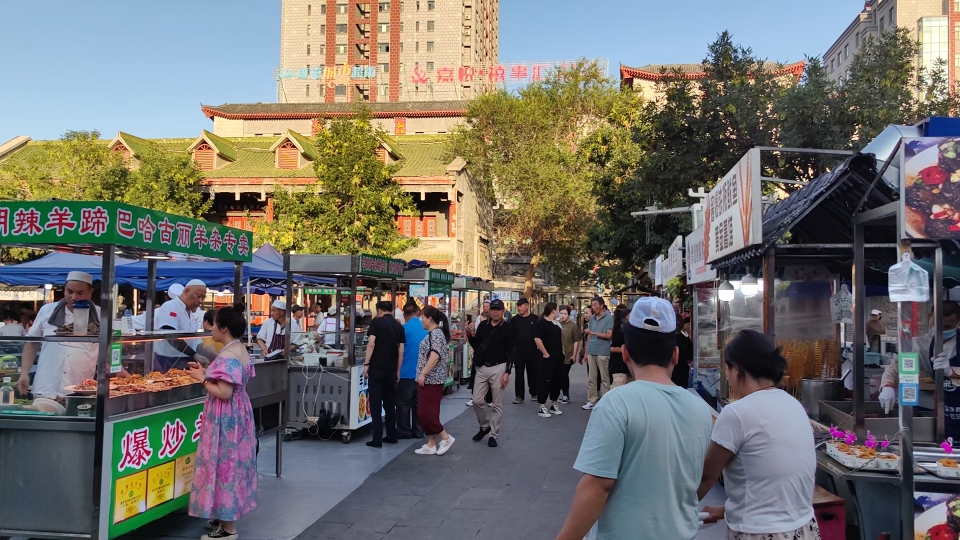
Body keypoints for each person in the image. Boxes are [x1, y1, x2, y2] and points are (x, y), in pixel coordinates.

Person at [555, 297, 713, 540]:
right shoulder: (701, 410)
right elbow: (700, 479)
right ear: (675, 355)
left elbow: (598, 486)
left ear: (626, 353)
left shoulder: (616, 403)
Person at [697, 329, 819, 539]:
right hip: (804, 528)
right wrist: (727, 509)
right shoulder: (793, 405)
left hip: (760, 533)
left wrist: (671, 512)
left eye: (726, 368)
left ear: (736, 369)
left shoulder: (737, 413)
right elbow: (772, 481)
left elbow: (707, 476)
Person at [187, 307, 257, 540]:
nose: (211, 328)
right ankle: (222, 515)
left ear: (224, 328)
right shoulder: (239, 349)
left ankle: (228, 529)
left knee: (224, 467)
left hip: (225, 417)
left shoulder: (227, 355)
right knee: (233, 465)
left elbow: (224, 392)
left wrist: (201, 379)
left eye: (214, 324)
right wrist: (208, 373)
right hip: (239, 414)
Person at [18, 272, 102, 398]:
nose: (74, 297)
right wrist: (24, 373)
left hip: (81, 388)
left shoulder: (100, 314)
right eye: (69, 291)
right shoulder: (47, 311)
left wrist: (119, 372)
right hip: (47, 386)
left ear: (90, 293)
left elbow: (108, 349)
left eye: (80, 293)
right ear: (64, 291)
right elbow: (32, 343)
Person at [880, 301, 960, 424]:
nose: (941, 330)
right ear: (929, 317)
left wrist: (952, 371)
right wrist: (888, 386)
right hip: (943, 406)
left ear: (958, 322)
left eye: (947, 327)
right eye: (937, 325)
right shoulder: (921, 343)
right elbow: (898, 365)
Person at [468, 298, 515, 447]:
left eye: (498, 310)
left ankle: (493, 435)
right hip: (482, 367)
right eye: (493, 309)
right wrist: (469, 335)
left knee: (497, 403)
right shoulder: (482, 326)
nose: (495, 312)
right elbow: (476, 345)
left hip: (498, 367)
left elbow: (511, 351)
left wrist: (507, 372)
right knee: (477, 400)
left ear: (503, 311)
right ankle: (484, 425)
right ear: (489, 311)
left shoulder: (508, 328)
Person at [414, 306, 457, 455]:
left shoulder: (436, 334)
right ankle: (431, 443)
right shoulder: (434, 334)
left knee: (425, 413)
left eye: (423, 317)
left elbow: (435, 356)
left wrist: (423, 373)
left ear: (430, 319)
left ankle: (445, 437)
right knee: (430, 411)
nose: (421, 320)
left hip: (432, 380)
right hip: (429, 380)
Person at [364, 300, 406, 448]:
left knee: (375, 404)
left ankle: (377, 438)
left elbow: (371, 343)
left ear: (380, 310)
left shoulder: (376, 322)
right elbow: (401, 351)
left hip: (376, 368)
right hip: (391, 370)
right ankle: (392, 435)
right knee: (390, 404)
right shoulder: (399, 327)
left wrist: (366, 363)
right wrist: (398, 370)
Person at [155, 279, 211, 373]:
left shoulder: (191, 314)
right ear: (186, 291)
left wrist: (211, 355)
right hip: (167, 361)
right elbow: (171, 336)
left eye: (203, 298)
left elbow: (196, 342)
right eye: (198, 296)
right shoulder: (171, 307)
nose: (200, 301)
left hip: (185, 360)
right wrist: (195, 355)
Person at [398, 302, 427, 439]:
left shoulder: (403, 329)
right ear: (418, 313)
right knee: (419, 404)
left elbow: (399, 351)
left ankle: (404, 431)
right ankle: (418, 431)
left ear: (404, 314)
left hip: (406, 372)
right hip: (423, 373)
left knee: (403, 403)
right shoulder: (425, 328)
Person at [534, 302, 565, 417]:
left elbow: (559, 339)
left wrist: (562, 351)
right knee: (545, 380)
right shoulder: (542, 323)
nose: (558, 312)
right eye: (557, 310)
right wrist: (545, 353)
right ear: (553, 310)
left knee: (556, 380)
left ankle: (554, 403)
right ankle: (542, 405)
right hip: (546, 358)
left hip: (558, 356)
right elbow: (537, 339)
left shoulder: (556, 323)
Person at [582, 297, 613, 410]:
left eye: (595, 305)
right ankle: (592, 400)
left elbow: (609, 335)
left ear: (601, 305)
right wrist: (586, 352)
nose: (593, 307)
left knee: (605, 378)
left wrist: (593, 332)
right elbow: (589, 337)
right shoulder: (593, 318)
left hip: (603, 351)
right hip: (592, 350)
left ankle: (606, 400)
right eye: (592, 305)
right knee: (592, 378)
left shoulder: (609, 318)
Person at [510, 297, 539, 404]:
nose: (519, 308)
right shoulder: (514, 320)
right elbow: (510, 336)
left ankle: (534, 393)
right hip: (518, 352)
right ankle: (519, 396)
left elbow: (539, 334)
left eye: (521, 306)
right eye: (518, 306)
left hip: (532, 351)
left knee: (533, 373)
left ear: (527, 306)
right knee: (519, 375)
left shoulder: (535, 319)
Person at [465, 299, 493, 407]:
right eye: (484, 306)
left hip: (491, 356)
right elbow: (476, 339)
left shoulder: (498, 323)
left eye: (488, 307)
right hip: (479, 353)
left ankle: (490, 399)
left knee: (490, 378)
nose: (486, 309)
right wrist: (469, 333)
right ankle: (474, 397)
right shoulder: (479, 320)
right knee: (476, 376)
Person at [557, 306, 582, 404]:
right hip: (558, 354)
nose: (562, 315)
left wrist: (574, 354)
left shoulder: (573, 326)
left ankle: (566, 395)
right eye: (561, 313)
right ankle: (559, 393)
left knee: (564, 374)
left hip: (569, 354)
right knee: (559, 375)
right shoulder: (556, 324)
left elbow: (576, 341)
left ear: (569, 314)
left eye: (565, 314)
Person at [608, 306, 630, 389]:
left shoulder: (632, 330)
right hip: (619, 366)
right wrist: (624, 349)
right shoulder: (619, 331)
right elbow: (612, 348)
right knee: (618, 388)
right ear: (626, 317)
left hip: (629, 367)